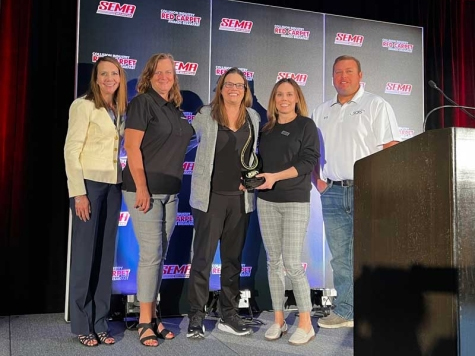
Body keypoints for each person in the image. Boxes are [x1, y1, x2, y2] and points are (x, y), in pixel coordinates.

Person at [312, 55, 401, 328]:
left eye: (349, 71)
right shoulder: (321, 110)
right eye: (338, 72)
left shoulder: (376, 105)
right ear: (332, 77)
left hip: (368, 191)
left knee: (373, 252)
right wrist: (319, 183)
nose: (343, 77)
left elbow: (391, 149)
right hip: (333, 192)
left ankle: (379, 310)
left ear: (361, 75)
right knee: (340, 256)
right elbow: (311, 153)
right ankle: (347, 311)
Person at [122, 53, 194, 347]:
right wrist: (141, 187)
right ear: (149, 76)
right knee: (151, 255)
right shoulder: (142, 103)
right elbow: (132, 147)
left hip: (171, 193)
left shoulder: (175, 110)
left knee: (159, 256)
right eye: (159, 72)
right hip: (145, 190)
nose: (165, 77)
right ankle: (143, 321)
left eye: (170, 72)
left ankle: (154, 316)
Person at [186, 67, 261, 339]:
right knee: (203, 260)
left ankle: (229, 315)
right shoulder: (206, 114)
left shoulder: (253, 117)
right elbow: (184, 141)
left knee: (232, 262)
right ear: (221, 87)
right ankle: (196, 317)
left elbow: (253, 157)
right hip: (210, 199)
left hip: (240, 200)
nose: (234, 89)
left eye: (239, 85)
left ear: (245, 90)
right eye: (229, 84)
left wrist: (252, 179)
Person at [64, 56, 127, 347]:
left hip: (114, 186)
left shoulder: (120, 109)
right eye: (104, 74)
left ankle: (101, 322)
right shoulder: (83, 105)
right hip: (88, 186)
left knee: (104, 259)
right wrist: (78, 192)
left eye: (114, 73)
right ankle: (81, 324)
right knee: (84, 257)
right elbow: (71, 150)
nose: (109, 79)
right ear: (96, 77)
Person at [254, 78, 320, 345]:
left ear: (296, 98)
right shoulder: (266, 129)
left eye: (289, 94)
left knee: (292, 262)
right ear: (274, 98)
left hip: (295, 200)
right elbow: (257, 163)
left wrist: (275, 177)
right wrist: (252, 178)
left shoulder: (306, 125)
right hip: (267, 201)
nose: (283, 98)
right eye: (279, 93)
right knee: (273, 263)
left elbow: (308, 161)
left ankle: (306, 323)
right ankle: (278, 321)